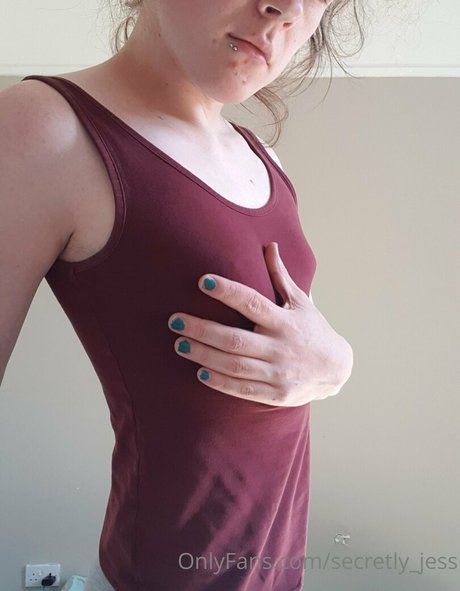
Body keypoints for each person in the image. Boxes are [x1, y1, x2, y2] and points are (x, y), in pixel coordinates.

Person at [1, 1, 355, 589]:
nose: (287, 10)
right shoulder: (41, 126)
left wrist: (338, 365)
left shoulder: (263, 158)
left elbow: (297, 347)